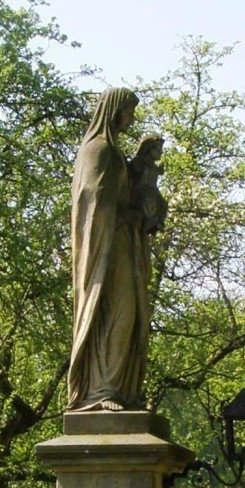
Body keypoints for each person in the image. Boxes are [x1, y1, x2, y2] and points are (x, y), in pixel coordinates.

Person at [66, 87, 165, 411]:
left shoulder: (115, 153)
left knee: (132, 314)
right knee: (117, 313)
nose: (132, 118)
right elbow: (93, 202)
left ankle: (120, 389)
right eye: (129, 111)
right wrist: (127, 212)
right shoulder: (98, 150)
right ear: (114, 110)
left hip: (124, 242)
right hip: (106, 249)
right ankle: (101, 390)